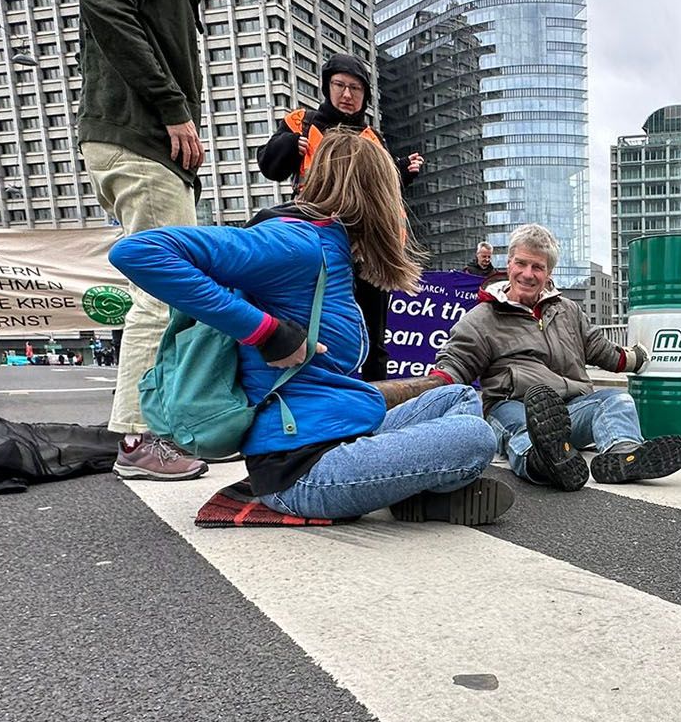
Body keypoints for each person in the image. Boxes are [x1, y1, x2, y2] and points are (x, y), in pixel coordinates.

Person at [109, 127, 516, 523]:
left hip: (345, 433)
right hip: (304, 469)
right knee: (474, 438)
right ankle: (421, 489)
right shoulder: (296, 244)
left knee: (459, 396)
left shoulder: (332, 248)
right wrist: (267, 333)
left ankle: (415, 493)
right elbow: (139, 251)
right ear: (376, 195)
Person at [77, 0, 251, 480]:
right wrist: (174, 109)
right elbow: (101, 0)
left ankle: (149, 428)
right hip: (141, 143)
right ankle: (137, 436)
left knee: (169, 289)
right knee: (167, 291)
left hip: (139, 145)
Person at [426, 223, 681, 491]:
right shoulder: (481, 318)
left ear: (548, 272)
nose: (527, 274)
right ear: (508, 264)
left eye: (537, 267)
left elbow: (599, 349)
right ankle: (542, 461)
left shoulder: (568, 311)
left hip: (572, 407)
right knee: (521, 428)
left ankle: (623, 454)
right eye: (521, 263)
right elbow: (456, 363)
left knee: (616, 400)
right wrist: (431, 386)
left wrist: (638, 357)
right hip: (514, 404)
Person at [258, 53, 422, 383]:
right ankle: (321, 390)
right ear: (327, 87)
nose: (347, 95)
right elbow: (270, 167)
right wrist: (291, 145)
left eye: (355, 89)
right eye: (340, 86)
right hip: (320, 243)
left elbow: (381, 191)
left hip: (369, 246)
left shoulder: (373, 138)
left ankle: (377, 395)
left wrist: (401, 170)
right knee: (320, 323)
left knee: (375, 332)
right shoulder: (301, 123)